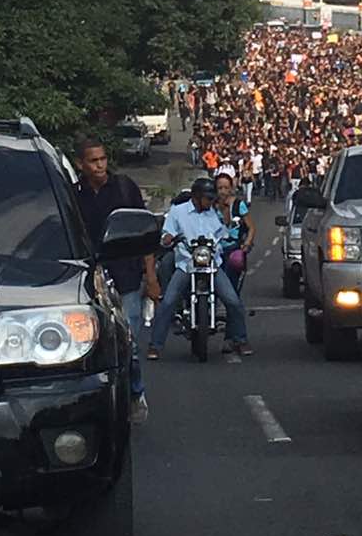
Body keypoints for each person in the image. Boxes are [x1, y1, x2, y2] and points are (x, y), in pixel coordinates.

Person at [74, 137, 160, 425]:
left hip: (126, 277)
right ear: (81, 165)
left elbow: (145, 235)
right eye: (93, 161)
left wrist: (151, 276)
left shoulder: (125, 189)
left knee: (129, 343)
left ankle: (135, 393)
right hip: (89, 282)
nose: (100, 166)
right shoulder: (74, 196)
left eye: (102, 159)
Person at [148, 177, 251, 358]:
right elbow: (167, 232)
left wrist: (228, 231)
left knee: (233, 301)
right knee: (168, 301)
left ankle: (240, 340)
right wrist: (168, 238)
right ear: (196, 197)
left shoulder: (212, 212)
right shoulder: (178, 211)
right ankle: (155, 345)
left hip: (211, 263)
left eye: (212, 199)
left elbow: (222, 232)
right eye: (208, 198)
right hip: (186, 263)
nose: (211, 202)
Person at [214, 170, 255, 294]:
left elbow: (251, 227)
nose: (222, 191)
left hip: (233, 247)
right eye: (219, 188)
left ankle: (233, 307)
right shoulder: (211, 206)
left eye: (226, 188)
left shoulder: (238, 205)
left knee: (232, 283)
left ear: (231, 188)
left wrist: (246, 244)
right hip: (214, 249)